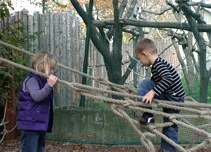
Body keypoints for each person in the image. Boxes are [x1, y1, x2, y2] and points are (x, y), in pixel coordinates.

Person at [135, 38, 185, 152]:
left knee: (170, 124)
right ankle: (148, 115)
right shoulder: (157, 65)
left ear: (144, 54)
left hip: (174, 99)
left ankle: (168, 150)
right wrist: (150, 91)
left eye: (140, 58)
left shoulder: (159, 64)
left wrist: (152, 92)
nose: (140, 61)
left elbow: (168, 79)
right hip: (168, 94)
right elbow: (156, 82)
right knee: (147, 83)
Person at [17, 51, 58, 152]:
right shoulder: (32, 80)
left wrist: (50, 85)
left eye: (53, 69)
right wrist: (49, 86)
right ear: (41, 66)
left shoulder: (43, 80)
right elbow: (37, 97)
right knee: (30, 149)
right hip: (30, 124)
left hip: (40, 123)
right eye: (50, 68)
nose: (52, 71)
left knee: (40, 149)